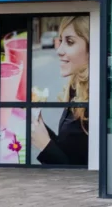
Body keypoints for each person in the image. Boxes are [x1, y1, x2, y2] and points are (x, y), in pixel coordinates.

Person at [31, 16, 90, 165]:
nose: (59, 50)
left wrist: (45, 144)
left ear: (92, 47)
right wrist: (40, 126)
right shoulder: (76, 87)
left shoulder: (98, 92)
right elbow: (70, 150)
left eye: (69, 42)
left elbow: (80, 170)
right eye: (61, 41)